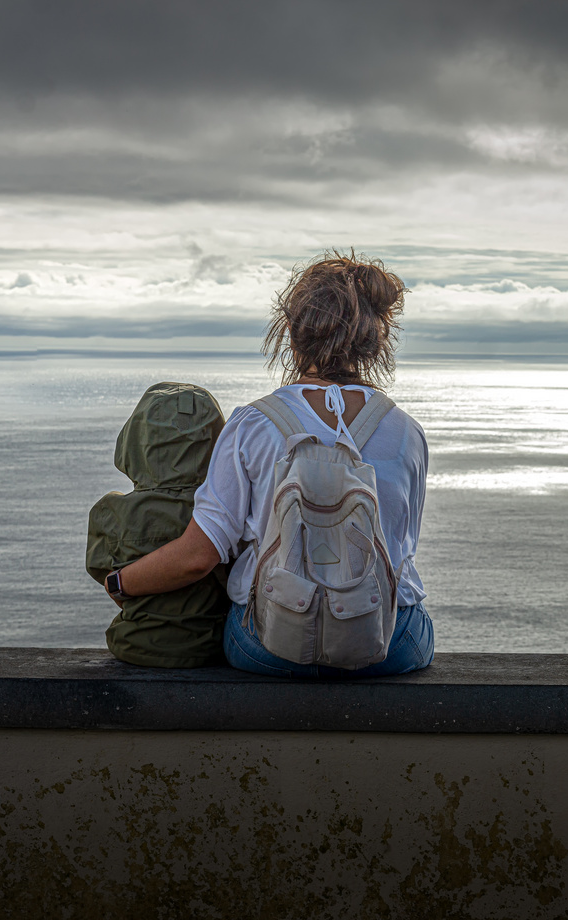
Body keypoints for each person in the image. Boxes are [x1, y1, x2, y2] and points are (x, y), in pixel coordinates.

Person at [102, 251, 432, 678]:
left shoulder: (252, 423)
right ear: (376, 340)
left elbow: (199, 556)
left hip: (273, 645)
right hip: (388, 645)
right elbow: (402, 546)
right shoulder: (406, 431)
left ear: (292, 336)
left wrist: (121, 582)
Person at [85, 382, 230, 667]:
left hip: (132, 643)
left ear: (133, 441)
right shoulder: (221, 512)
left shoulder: (110, 512)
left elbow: (106, 577)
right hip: (211, 647)